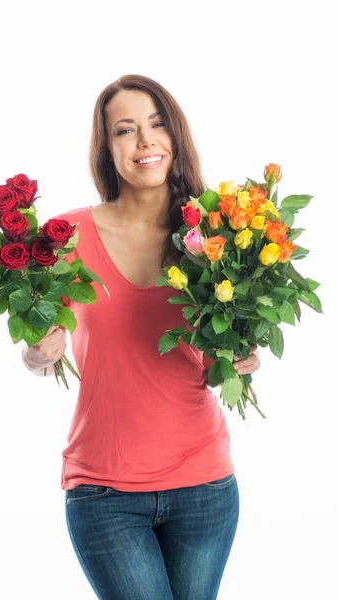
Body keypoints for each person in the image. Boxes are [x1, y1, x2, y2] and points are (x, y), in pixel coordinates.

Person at [22, 74, 260, 600]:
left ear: (175, 135)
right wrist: (34, 355)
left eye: (157, 124)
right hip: (103, 491)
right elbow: (37, 345)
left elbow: (232, 335)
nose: (146, 141)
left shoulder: (215, 236)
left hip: (204, 484)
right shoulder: (68, 237)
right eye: (126, 130)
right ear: (108, 150)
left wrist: (242, 350)